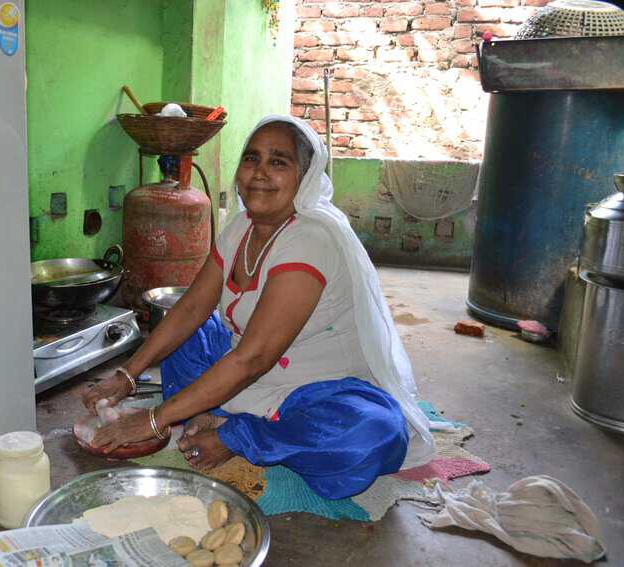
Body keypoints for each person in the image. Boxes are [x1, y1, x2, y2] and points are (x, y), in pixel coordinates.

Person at [84, 115, 435, 499]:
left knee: (371, 433)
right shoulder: (242, 227)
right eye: (251, 159)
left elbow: (252, 360)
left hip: (315, 393)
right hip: (245, 374)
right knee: (190, 333)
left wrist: (154, 420)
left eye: (278, 162)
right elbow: (190, 309)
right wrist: (128, 374)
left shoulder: (311, 239)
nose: (260, 173)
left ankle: (240, 434)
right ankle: (211, 413)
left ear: (305, 177)